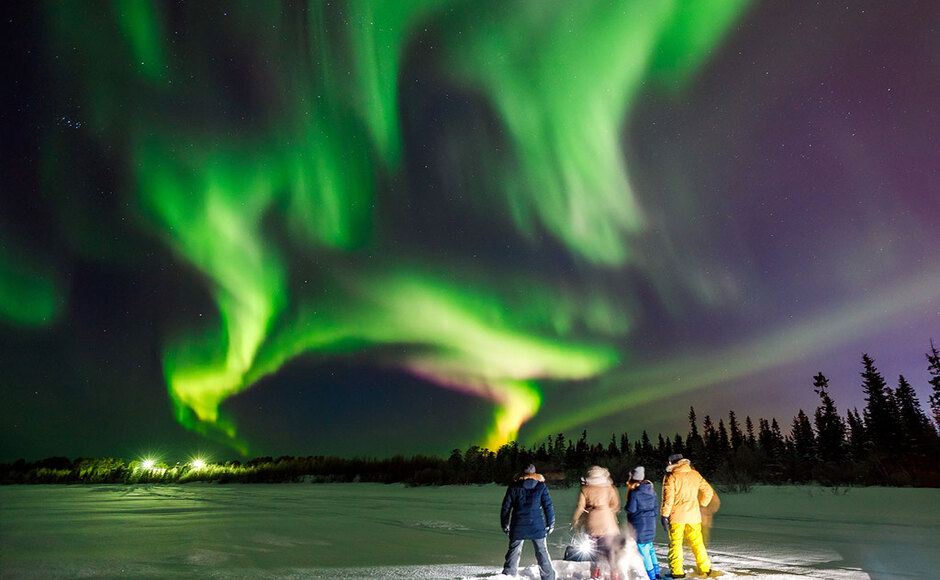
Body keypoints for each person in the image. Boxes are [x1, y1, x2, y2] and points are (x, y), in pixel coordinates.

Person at [660, 454, 715, 578]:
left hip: (677, 517)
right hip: (694, 516)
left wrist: (664, 515)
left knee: (676, 544)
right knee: (697, 542)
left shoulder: (671, 477)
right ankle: (705, 569)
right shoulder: (695, 474)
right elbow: (708, 492)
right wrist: (700, 505)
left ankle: (677, 572)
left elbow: (668, 499)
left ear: (672, 463)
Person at [501, 464, 556, 580]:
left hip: (518, 525)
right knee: (542, 552)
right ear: (535, 473)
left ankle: (508, 575)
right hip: (537, 526)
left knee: (514, 552)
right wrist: (551, 522)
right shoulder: (541, 486)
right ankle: (548, 577)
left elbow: (506, 507)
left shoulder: (514, 486)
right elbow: (548, 506)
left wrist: (505, 523)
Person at [571, 465, 621, 580]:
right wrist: (607, 511)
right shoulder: (609, 488)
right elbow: (615, 505)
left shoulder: (585, 489)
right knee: (610, 550)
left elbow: (580, 507)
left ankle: (595, 574)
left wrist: (576, 519)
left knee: (594, 551)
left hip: (592, 522)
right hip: (607, 523)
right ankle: (615, 574)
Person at [626, 466, 661, 580]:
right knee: (650, 548)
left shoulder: (634, 493)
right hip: (651, 523)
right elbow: (656, 509)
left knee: (644, 551)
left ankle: (652, 577)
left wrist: (626, 508)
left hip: (639, 525)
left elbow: (631, 509)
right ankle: (657, 573)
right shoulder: (652, 491)